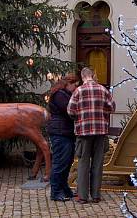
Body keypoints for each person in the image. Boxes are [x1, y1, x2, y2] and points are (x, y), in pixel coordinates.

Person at [67, 67, 115, 204]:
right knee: (98, 164)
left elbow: (70, 111)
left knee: (83, 163)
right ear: (92, 75)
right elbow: (112, 107)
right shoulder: (103, 90)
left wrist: (80, 116)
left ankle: (82, 196)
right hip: (100, 132)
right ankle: (96, 195)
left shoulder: (78, 91)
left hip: (84, 132)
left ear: (83, 77)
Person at [45, 73, 79, 201]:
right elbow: (69, 110)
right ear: (68, 83)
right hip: (60, 132)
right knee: (60, 162)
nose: (76, 89)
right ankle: (56, 192)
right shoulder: (60, 95)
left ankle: (65, 189)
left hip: (65, 132)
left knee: (67, 162)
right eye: (75, 86)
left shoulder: (65, 94)